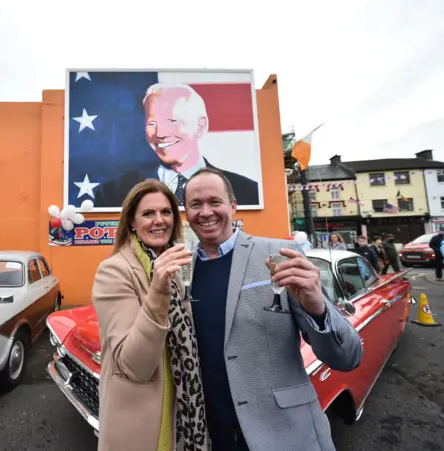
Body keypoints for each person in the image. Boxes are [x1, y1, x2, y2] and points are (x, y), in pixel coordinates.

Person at [182, 168, 363, 451]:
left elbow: (347, 357)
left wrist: (318, 309)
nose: (206, 212)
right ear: (186, 212)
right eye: (195, 204)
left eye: (215, 202)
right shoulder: (182, 270)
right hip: (213, 437)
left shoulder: (280, 255)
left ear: (232, 206)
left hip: (285, 435)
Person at [92, 179, 209, 451]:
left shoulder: (170, 264)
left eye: (166, 212)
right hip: (141, 423)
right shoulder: (114, 270)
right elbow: (133, 365)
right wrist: (157, 290)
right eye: (148, 214)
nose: (160, 221)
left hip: (183, 414)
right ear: (131, 222)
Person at [94, 82, 259, 208]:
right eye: (152, 123)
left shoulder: (246, 190)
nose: (160, 133)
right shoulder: (111, 193)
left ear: (200, 126)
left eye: (171, 121)